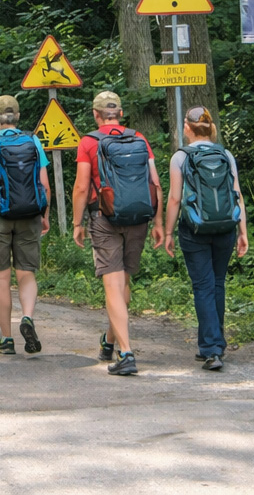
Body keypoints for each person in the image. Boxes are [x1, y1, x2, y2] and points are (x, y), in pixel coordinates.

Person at [70, 91, 163, 376]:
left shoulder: (89, 142)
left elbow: (82, 187)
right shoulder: (139, 139)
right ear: (120, 114)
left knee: (113, 285)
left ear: (96, 114)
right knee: (123, 283)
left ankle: (126, 352)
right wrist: (158, 223)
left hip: (105, 216)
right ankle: (110, 341)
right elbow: (155, 183)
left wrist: (77, 223)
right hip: (139, 217)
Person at [162, 106, 248, 371]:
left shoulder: (180, 157)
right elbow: (237, 194)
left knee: (203, 286)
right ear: (210, 128)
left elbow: (175, 199)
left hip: (195, 228)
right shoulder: (225, 154)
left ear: (187, 127)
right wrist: (243, 231)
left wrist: (167, 232)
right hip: (225, 227)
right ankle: (212, 344)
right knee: (217, 284)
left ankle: (212, 350)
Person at [0, 95, 51, 355]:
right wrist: (44, 215)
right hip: (29, 215)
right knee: (26, 273)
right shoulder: (34, 141)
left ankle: (7, 339)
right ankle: (27, 317)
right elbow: (44, 185)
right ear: (17, 116)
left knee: (2, 277)